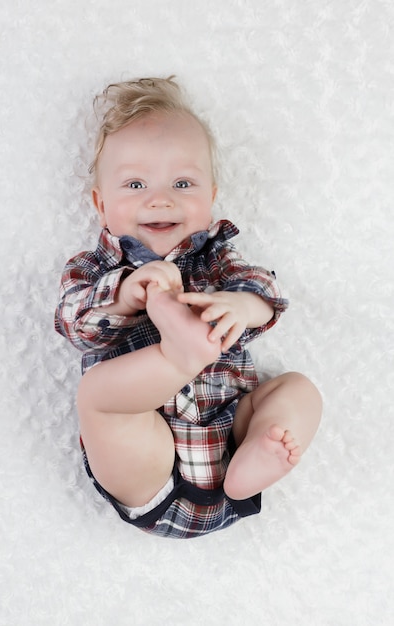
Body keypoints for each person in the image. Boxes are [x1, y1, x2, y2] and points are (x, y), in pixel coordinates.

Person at [55, 76, 322, 539]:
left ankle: (260, 453)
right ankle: (177, 356)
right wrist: (123, 296)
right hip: (150, 472)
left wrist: (242, 306)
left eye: (183, 182)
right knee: (98, 397)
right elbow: (73, 323)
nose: (161, 198)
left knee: (299, 389)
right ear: (101, 204)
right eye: (135, 183)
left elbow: (265, 292)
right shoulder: (96, 267)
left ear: (211, 196)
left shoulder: (216, 260)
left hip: (229, 439)